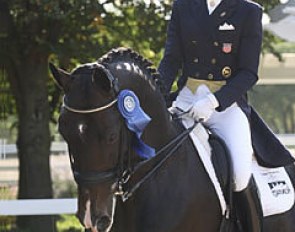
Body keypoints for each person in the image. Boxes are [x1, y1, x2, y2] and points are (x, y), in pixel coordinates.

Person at [158, 0, 295, 231]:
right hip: (185, 101)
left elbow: (248, 73)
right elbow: (171, 60)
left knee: (240, 175)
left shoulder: (248, 11)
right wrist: (157, 95)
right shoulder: (183, 6)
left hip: (225, 105)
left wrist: (215, 101)